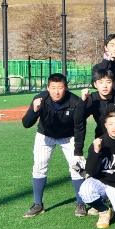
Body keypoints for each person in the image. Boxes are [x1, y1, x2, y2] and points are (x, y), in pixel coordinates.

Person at [21, 73, 87, 218]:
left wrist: (78, 150)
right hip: (45, 135)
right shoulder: (40, 99)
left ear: (66, 88)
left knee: (77, 167)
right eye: (53, 88)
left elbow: (80, 127)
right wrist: (35, 110)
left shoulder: (74, 101)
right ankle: (38, 204)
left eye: (60, 88)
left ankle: (80, 203)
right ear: (48, 88)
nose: (56, 91)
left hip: (68, 136)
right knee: (39, 167)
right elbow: (26, 123)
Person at [80, 69, 115, 138]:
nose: (105, 86)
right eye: (101, 82)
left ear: (113, 83)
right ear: (95, 84)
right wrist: (82, 101)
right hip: (101, 137)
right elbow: (79, 118)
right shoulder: (92, 99)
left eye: (108, 82)